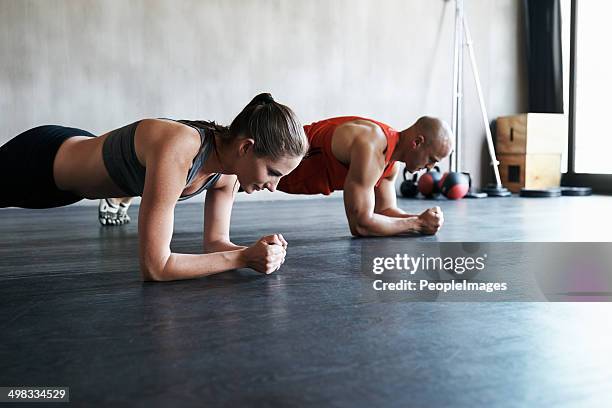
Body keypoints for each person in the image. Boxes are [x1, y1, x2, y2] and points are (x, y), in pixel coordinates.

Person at [0, 93, 308, 280]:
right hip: (40, 161)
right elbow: (156, 266)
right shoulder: (181, 145)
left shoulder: (227, 174)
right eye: (272, 172)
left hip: (64, 190)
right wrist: (242, 258)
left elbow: (215, 245)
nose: (273, 186)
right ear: (245, 148)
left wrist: (256, 253)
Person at [276, 116, 452, 236]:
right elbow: (360, 225)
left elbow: (384, 212)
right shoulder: (371, 146)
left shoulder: (390, 164)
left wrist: (421, 220)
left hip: (277, 175)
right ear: (417, 142)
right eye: (431, 159)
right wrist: (417, 224)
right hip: (271, 160)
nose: (430, 168)